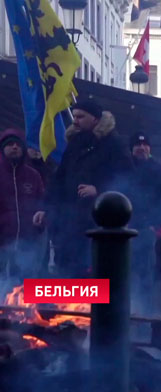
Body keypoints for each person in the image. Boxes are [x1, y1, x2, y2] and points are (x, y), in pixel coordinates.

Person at [36, 100, 133, 278]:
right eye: (75, 116)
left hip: (98, 226)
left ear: (95, 119)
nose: (75, 121)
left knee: (95, 275)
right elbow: (59, 179)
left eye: (81, 116)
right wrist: (45, 208)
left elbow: (127, 178)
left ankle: (91, 305)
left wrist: (99, 190)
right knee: (67, 274)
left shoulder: (114, 145)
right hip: (69, 224)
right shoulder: (74, 145)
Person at [129, 132, 161, 311]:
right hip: (124, 230)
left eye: (145, 144)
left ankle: (144, 313)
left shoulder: (159, 171)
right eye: (138, 145)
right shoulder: (124, 168)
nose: (141, 148)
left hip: (146, 230)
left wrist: (156, 224)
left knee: (145, 274)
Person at [0, 130, 45, 290]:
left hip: (28, 242)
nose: (14, 147)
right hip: (2, 241)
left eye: (18, 144)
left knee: (23, 284)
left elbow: (42, 201)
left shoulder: (33, 175)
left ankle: (22, 313)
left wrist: (42, 215)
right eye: (10, 144)